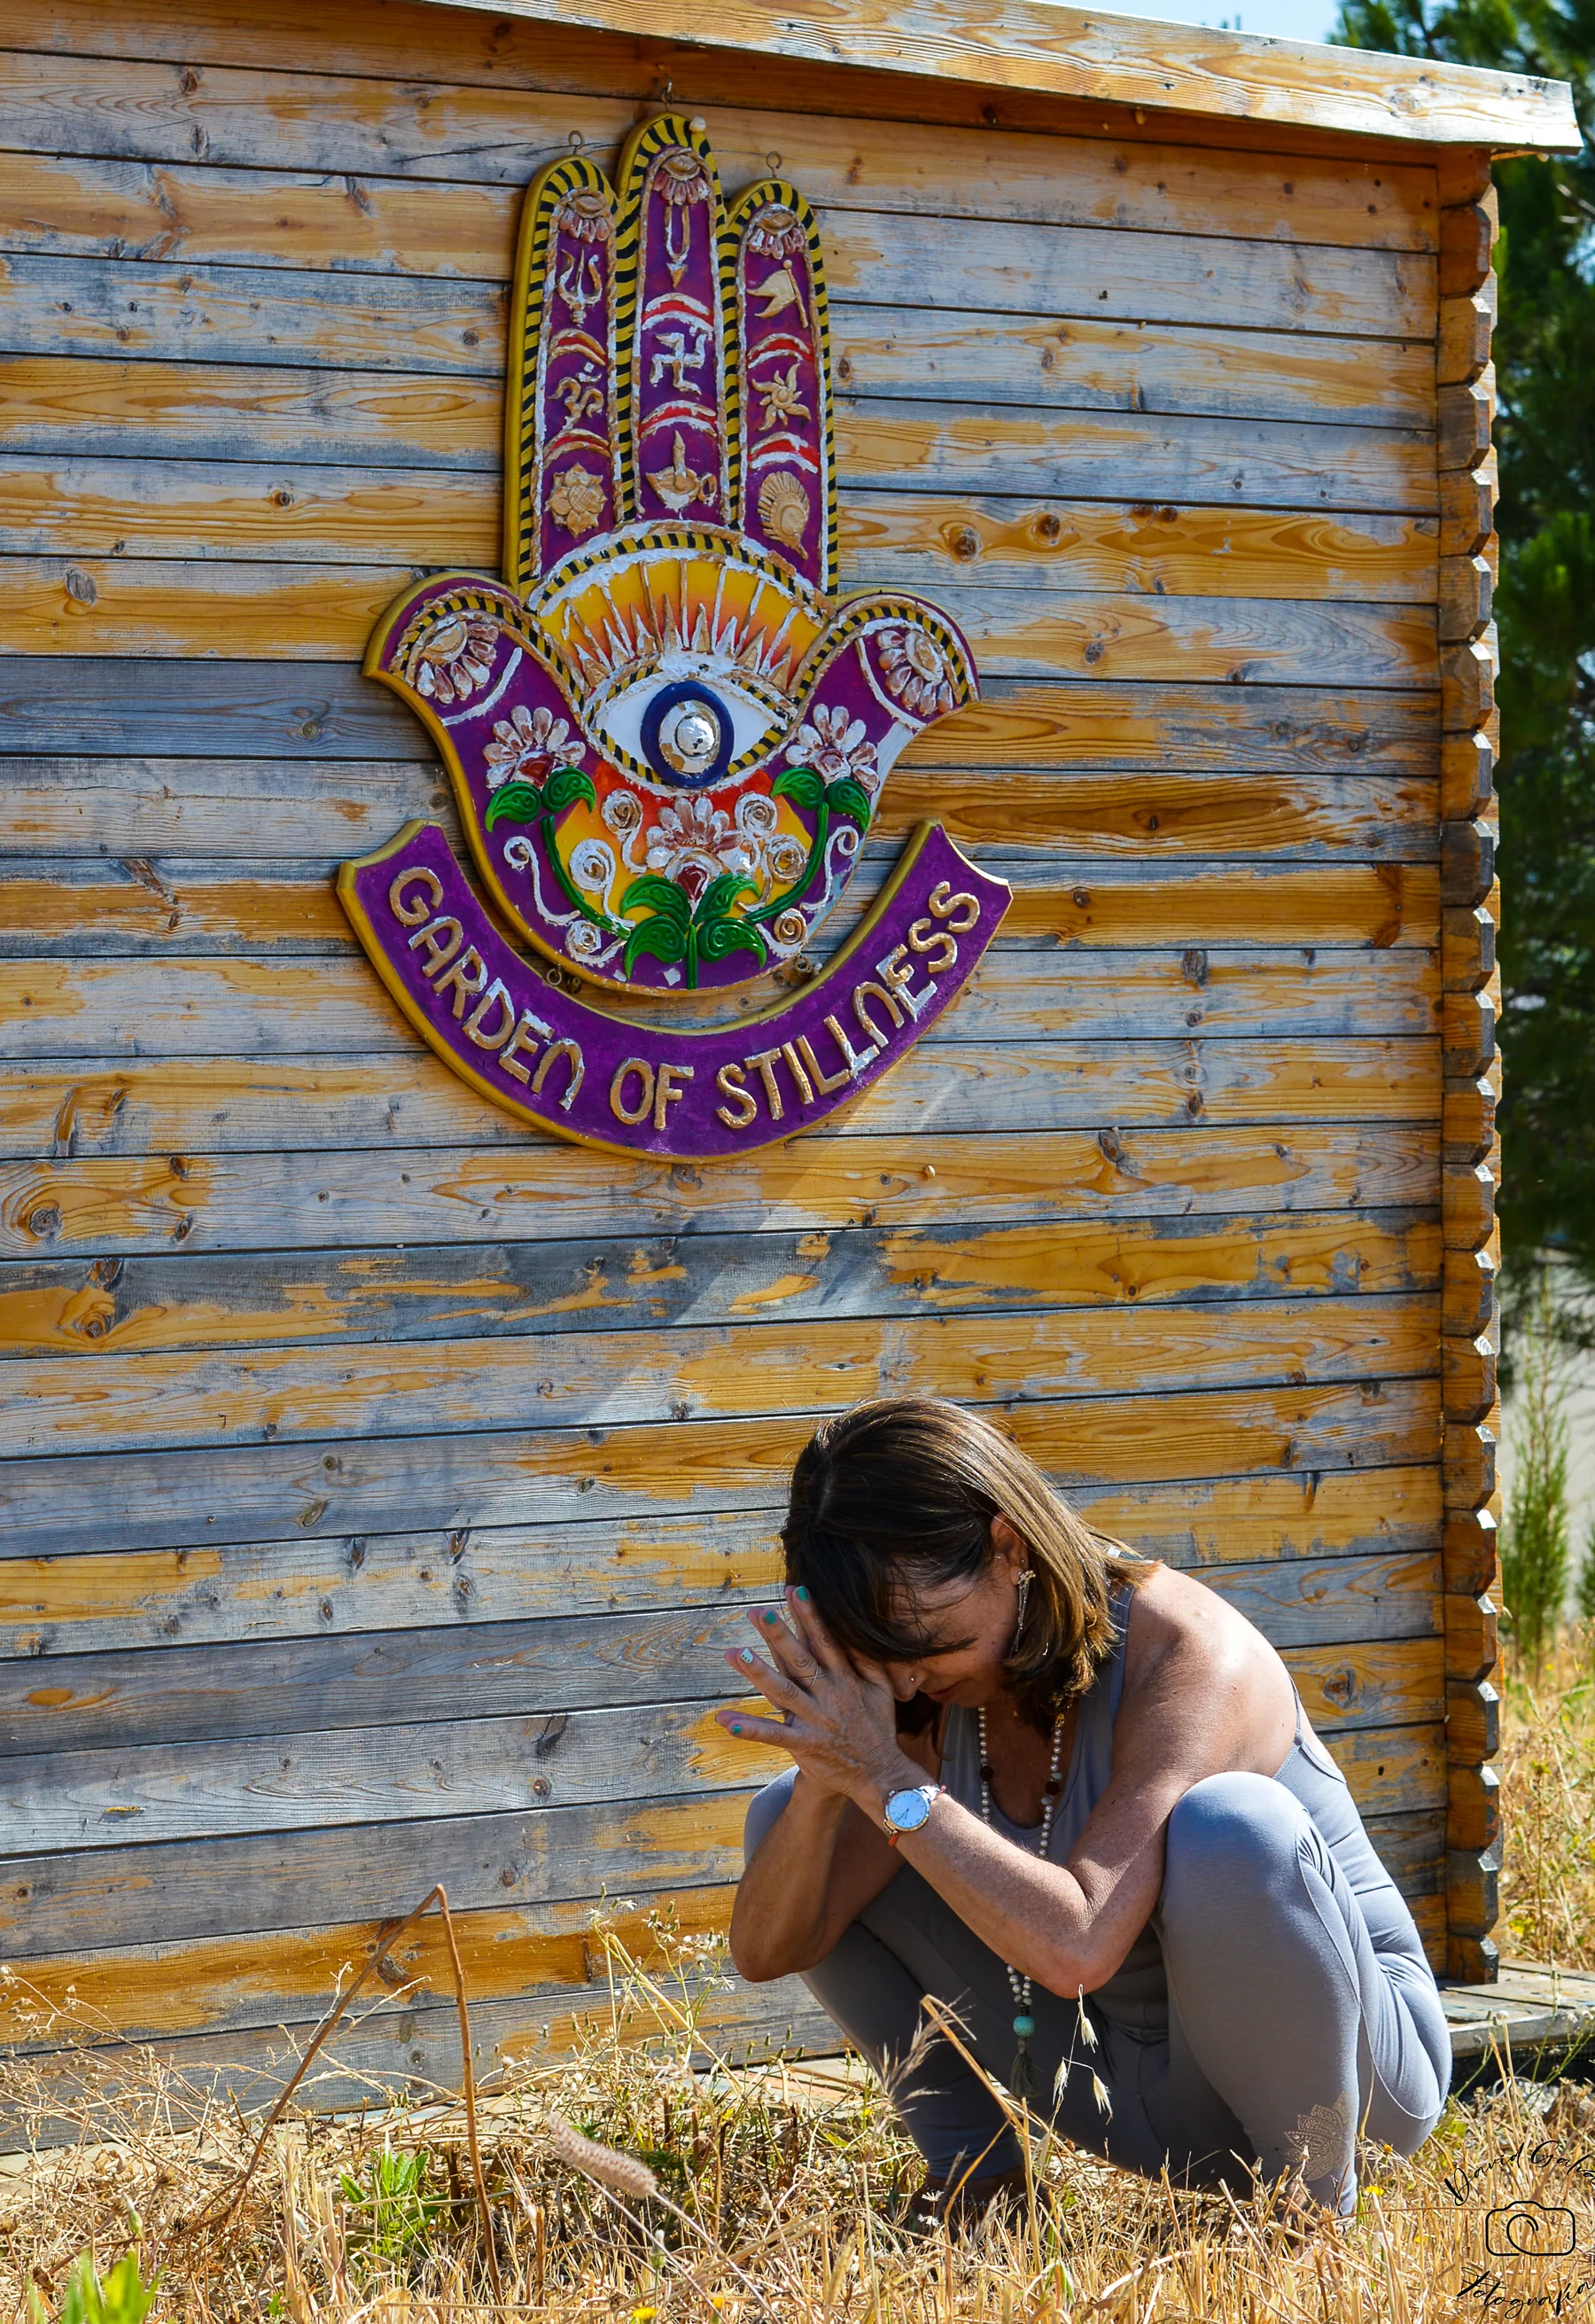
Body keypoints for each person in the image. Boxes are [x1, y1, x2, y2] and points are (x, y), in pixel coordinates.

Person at [719, 1397, 1451, 2229]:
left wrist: (883, 1776)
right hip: (1127, 2096)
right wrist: (830, 1779)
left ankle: (1311, 2215)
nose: (910, 1679)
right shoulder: (918, 1685)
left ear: (1008, 1547)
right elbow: (768, 1951)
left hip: (1353, 2085)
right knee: (793, 1818)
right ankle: (979, 2182)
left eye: (929, 1642)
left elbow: (1079, 1944)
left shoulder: (1193, 1655)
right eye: (877, 1654)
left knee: (1235, 1828)